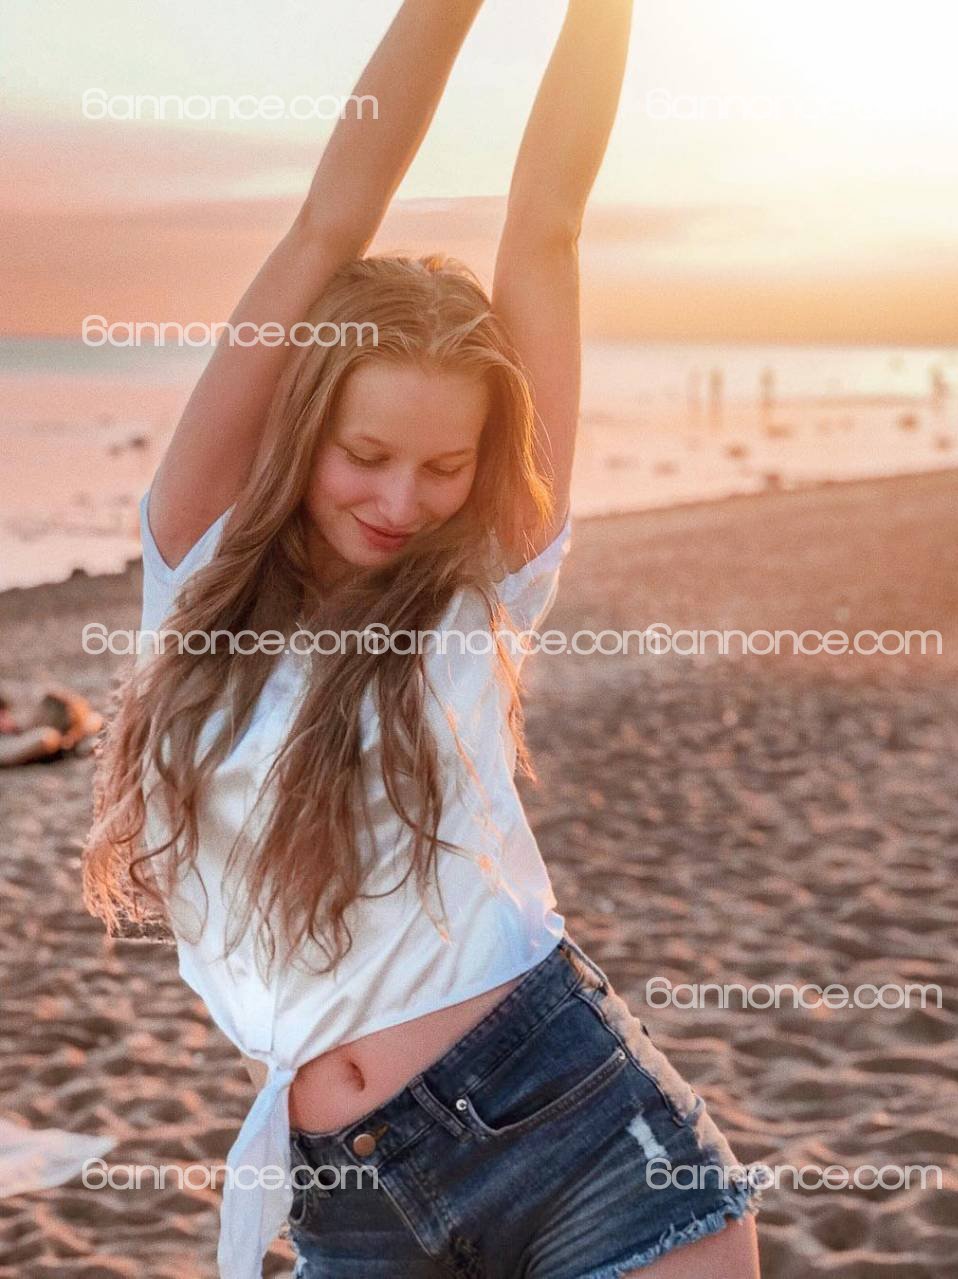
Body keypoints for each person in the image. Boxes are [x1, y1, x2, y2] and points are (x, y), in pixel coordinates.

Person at [81, 3, 761, 1276]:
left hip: (579, 1132)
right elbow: (325, 225)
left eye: (445, 466)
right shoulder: (197, 555)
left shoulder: (480, 581)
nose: (403, 501)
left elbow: (547, 229)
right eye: (368, 454)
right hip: (352, 1197)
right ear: (304, 430)